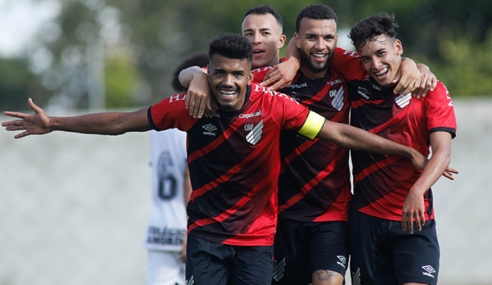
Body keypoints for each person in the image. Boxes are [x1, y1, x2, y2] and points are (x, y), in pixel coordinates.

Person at [3, 34, 433, 285]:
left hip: (257, 242)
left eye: (237, 74)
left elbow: (337, 131)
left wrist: (405, 150)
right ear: (209, 74)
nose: (228, 82)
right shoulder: (190, 107)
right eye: (220, 73)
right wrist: (55, 122)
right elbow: (122, 121)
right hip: (206, 238)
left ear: (251, 75)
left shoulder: (273, 106)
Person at [179, 5, 440, 285]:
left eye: (264, 33)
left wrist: (415, 65)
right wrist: (197, 76)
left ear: (280, 40)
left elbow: (387, 61)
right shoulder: (260, 82)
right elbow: (196, 73)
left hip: (333, 212)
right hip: (281, 214)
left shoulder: (345, 69)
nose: (256, 39)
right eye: (249, 33)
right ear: (296, 41)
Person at [328, 13, 457, 285]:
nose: (375, 64)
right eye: (366, 58)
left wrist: (417, 190)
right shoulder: (354, 72)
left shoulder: (429, 89)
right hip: (365, 218)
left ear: (398, 48)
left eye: (381, 53)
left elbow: (442, 152)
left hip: (414, 217)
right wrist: (292, 60)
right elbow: (307, 43)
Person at [144, 53, 207, 285]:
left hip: (159, 230)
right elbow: (190, 176)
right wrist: (190, 230)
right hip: (187, 230)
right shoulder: (192, 118)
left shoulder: (161, 121)